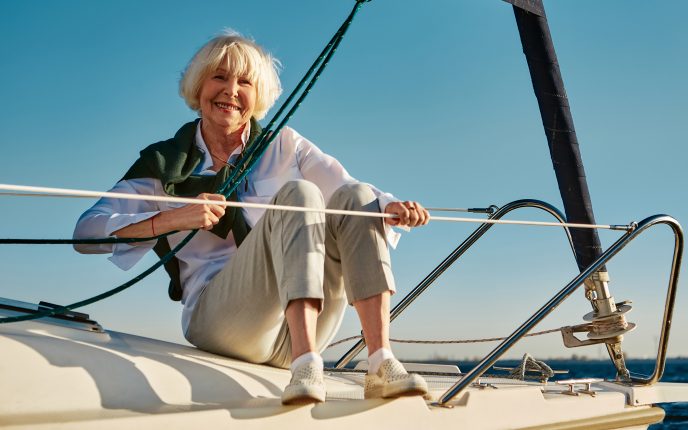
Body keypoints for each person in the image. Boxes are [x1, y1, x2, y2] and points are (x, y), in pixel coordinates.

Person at [73, 31, 430, 405]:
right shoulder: (163, 162)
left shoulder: (284, 144)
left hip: (297, 326)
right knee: (297, 195)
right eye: (219, 77)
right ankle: (307, 366)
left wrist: (390, 208)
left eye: (244, 82)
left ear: (256, 95)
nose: (231, 90)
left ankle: (380, 361)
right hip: (222, 321)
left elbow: (350, 189)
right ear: (199, 86)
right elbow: (86, 233)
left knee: (358, 198)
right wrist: (173, 218)